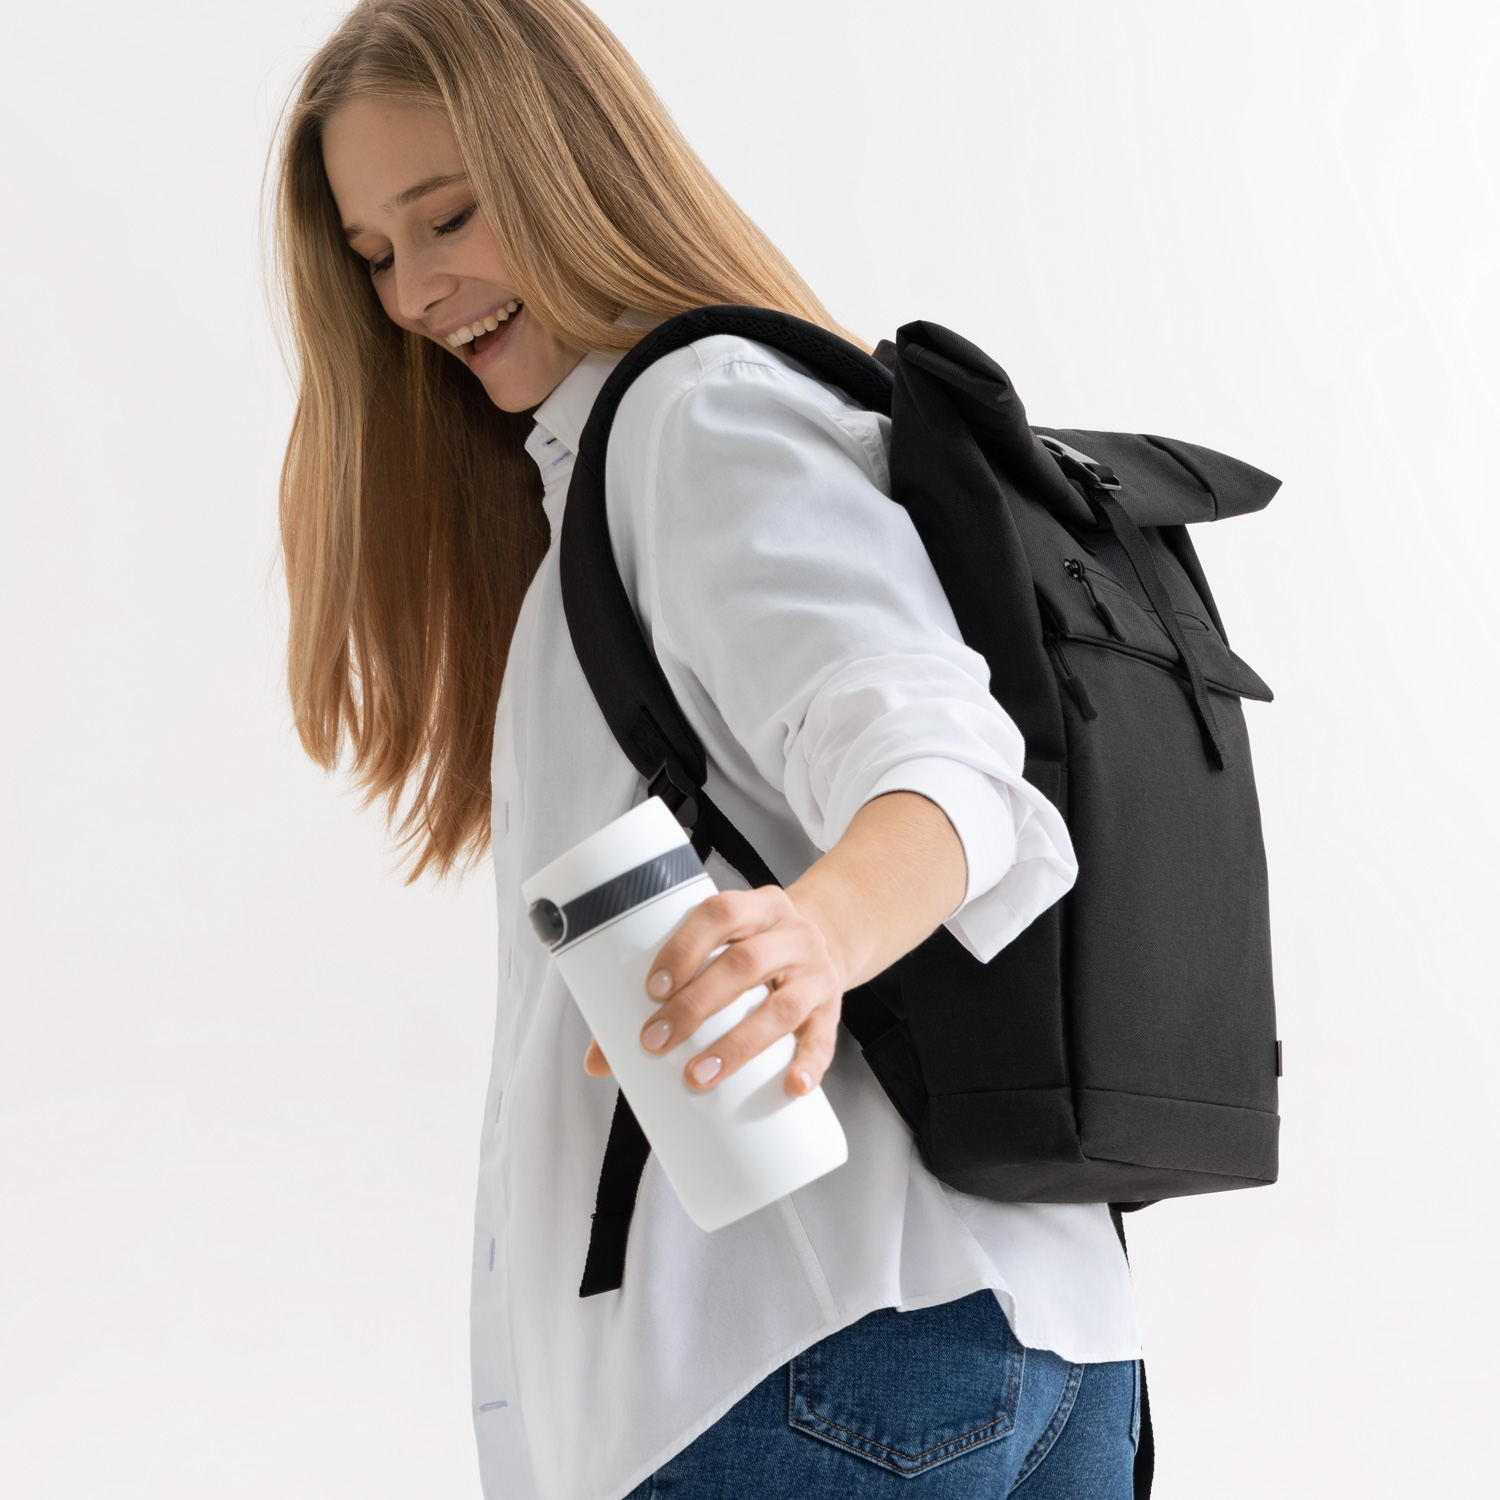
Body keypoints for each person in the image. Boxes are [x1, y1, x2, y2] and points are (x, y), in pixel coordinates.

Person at [270, 2, 1143, 1495]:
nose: (414, 291)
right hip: (1027, 1340)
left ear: (569, 164)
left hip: (803, 1356)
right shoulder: (653, 457)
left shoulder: (693, 420)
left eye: (448, 217)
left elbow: (945, 759)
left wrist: (817, 932)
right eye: (373, 256)